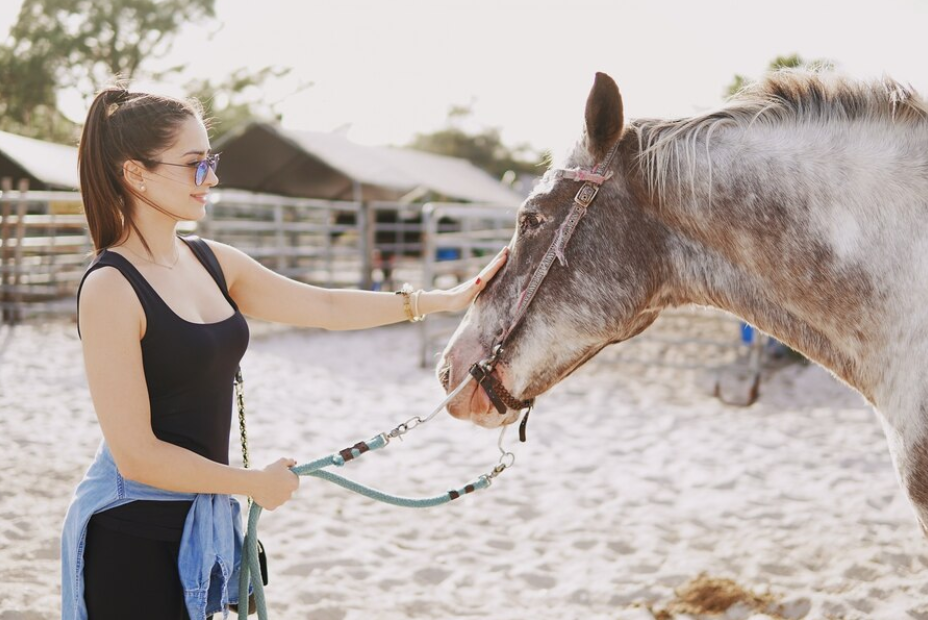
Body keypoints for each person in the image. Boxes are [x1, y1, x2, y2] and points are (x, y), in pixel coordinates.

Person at [60, 86, 508, 620]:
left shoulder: (209, 261)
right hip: (134, 530)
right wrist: (250, 484)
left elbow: (325, 305)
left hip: (199, 521)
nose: (213, 179)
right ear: (135, 174)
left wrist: (442, 300)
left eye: (213, 162)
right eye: (195, 165)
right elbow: (136, 454)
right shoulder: (111, 286)